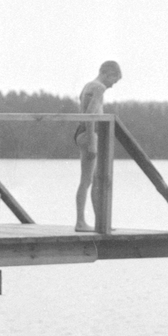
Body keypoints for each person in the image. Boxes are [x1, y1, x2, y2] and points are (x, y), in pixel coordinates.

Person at [74, 60, 122, 232]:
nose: (112, 85)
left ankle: (100, 223)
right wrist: (93, 143)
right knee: (87, 181)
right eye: (113, 80)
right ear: (107, 73)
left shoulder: (88, 86)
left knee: (91, 181)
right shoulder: (99, 87)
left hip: (82, 133)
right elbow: (89, 114)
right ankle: (80, 222)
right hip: (89, 134)